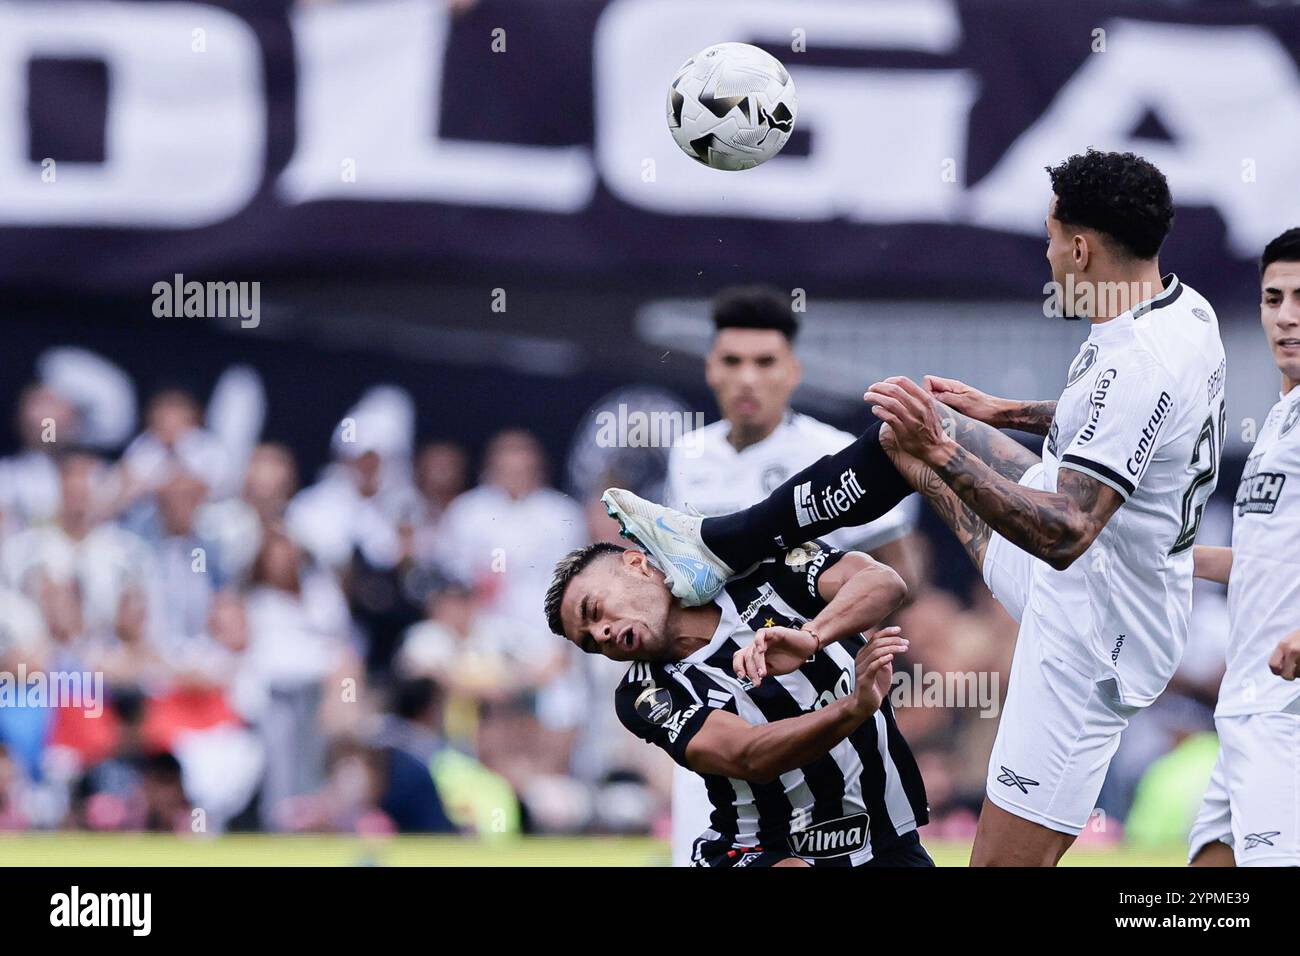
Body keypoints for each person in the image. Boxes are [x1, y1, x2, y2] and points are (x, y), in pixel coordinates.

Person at [602, 149, 1227, 866]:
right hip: (1117, 591)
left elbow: (1067, 533)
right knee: (907, 434)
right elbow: (1116, 422)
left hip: (1089, 629)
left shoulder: (1134, 361)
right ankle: (718, 543)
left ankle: (720, 543)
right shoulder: (1181, 311)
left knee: (997, 867)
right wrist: (999, 413)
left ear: (1081, 248)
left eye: (1052, 239)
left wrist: (945, 453)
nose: (1049, 256)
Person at [660, 284, 920, 866]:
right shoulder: (689, 455)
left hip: (814, 699)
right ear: (710, 370)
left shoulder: (834, 457)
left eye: (764, 362)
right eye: (732, 361)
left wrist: (816, 629)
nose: (747, 378)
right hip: (718, 708)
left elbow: (903, 576)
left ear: (792, 370)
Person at [544, 539, 929, 867]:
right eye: (592, 642)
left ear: (635, 563)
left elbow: (885, 581)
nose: (603, 633)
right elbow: (750, 756)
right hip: (764, 852)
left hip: (887, 839)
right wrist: (853, 708)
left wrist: (812, 636)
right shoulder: (643, 694)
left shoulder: (762, 572)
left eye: (594, 611)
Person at [1188, 227, 1300, 867]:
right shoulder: (1281, 416)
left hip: (1288, 710)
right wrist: (1173, 561)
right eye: (1273, 297)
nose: (1286, 317)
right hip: (1249, 705)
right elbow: (1270, 564)